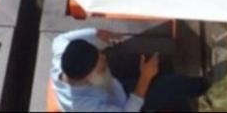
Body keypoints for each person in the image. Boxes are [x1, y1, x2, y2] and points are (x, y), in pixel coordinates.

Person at [50, 28, 208, 112]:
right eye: (101, 65)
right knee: (171, 85)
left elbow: (61, 39)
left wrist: (97, 32)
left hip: (112, 86)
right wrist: (145, 78)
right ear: (89, 76)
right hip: (123, 102)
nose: (104, 58)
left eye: (100, 54)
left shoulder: (61, 53)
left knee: (149, 58)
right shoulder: (84, 106)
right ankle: (205, 85)